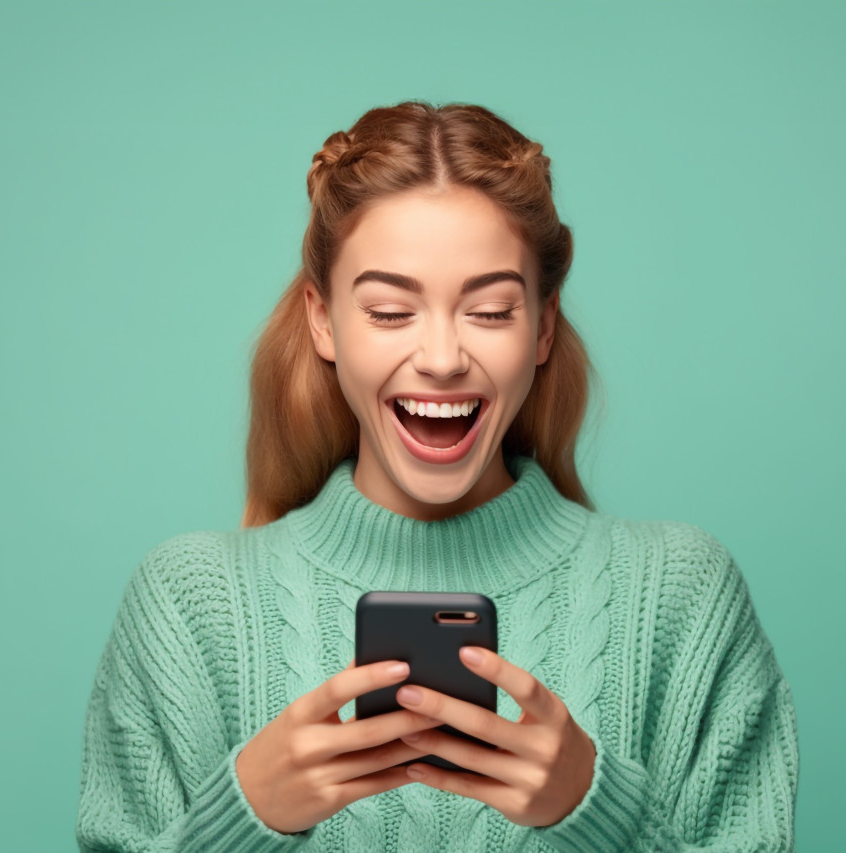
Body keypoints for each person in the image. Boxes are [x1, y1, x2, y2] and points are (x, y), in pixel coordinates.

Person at [75, 100, 799, 852]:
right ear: (324, 320)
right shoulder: (189, 606)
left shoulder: (680, 593)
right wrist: (242, 816)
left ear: (543, 325)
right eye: (391, 310)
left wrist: (598, 809)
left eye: (489, 310)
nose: (444, 356)